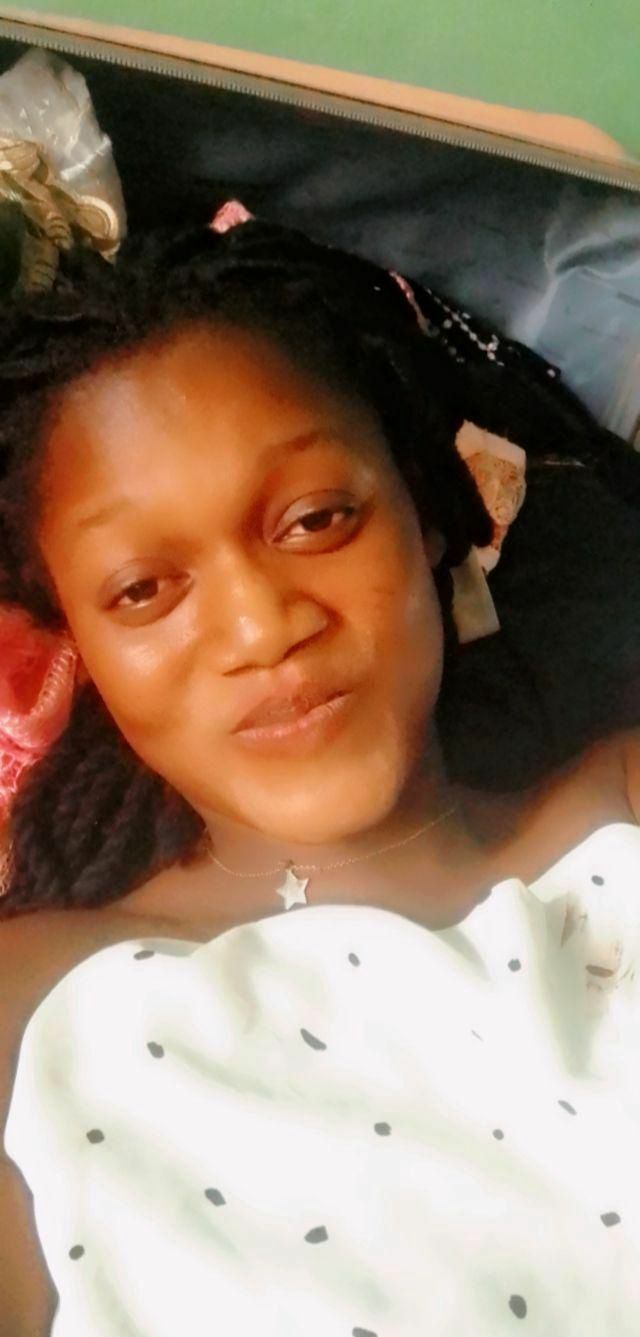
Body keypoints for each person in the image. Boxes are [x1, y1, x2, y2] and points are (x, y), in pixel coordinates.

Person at [0, 206, 639, 1336]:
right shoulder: (32, 1002)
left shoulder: (623, 819)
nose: (262, 626)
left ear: (430, 511)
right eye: (143, 589)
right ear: (82, 650)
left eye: (315, 519)